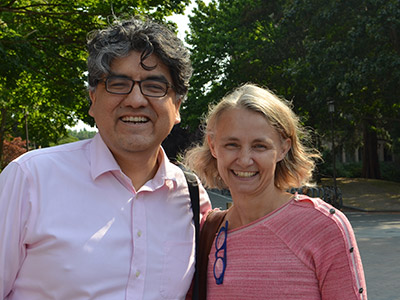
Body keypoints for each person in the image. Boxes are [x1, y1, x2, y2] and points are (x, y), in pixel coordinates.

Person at [0, 16, 211, 300]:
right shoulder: (30, 178)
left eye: (154, 86)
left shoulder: (192, 196)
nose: (136, 100)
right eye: (118, 83)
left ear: (177, 106)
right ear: (93, 98)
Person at [184, 83, 367, 299]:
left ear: (283, 148)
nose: (244, 160)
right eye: (232, 145)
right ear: (213, 146)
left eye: (259, 146)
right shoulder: (206, 231)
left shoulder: (324, 227)